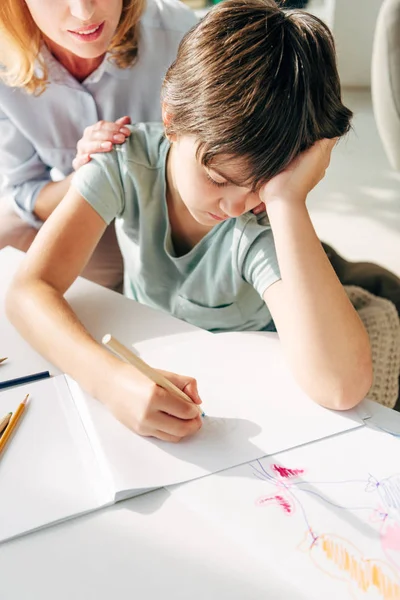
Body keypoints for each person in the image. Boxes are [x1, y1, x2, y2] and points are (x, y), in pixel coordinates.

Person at [6, 0, 373, 443]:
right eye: (216, 179)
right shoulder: (125, 161)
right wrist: (109, 382)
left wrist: (287, 202)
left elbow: (340, 387)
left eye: (261, 186)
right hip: (159, 356)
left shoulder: (258, 222)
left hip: (251, 390)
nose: (235, 206)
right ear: (171, 118)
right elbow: (30, 290)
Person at [0, 0, 197, 288]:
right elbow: (25, 191)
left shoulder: (181, 35)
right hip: (77, 206)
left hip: (171, 219)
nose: (84, 13)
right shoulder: (4, 63)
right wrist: (88, 174)